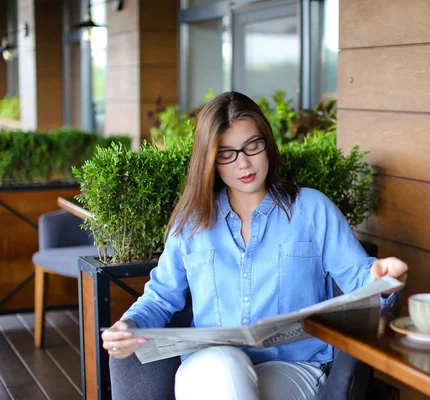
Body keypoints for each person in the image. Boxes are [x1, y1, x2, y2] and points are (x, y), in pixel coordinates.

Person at [101, 91, 408, 400]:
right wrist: (129, 324)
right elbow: (160, 298)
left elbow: (360, 282)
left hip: (292, 368)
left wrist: (381, 280)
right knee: (225, 367)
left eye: (252, 146)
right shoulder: (191, 223)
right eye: (227, 153)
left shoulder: (312, 210)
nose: (244, 163)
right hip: (209, 368)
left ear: (267, 143)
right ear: (210, 159)